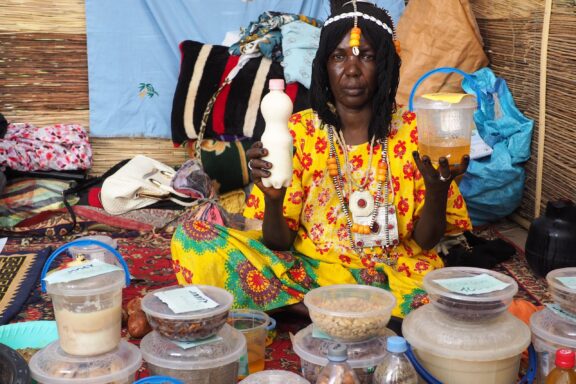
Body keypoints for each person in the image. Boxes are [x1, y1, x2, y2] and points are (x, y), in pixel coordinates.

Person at [171, 0, 471, 319]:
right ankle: (317, 311)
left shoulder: (416, 133)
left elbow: (426, 242)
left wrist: (438, 191)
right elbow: (278, 243)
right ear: (324, 66)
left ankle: (317, 311)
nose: (352, 70)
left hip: (392, 277)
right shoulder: (298, 132)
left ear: (385, 64)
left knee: (450, 307)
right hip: (311, 275)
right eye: (338, 57)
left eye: (367, 56)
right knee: (194, 237)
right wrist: (274, 200)